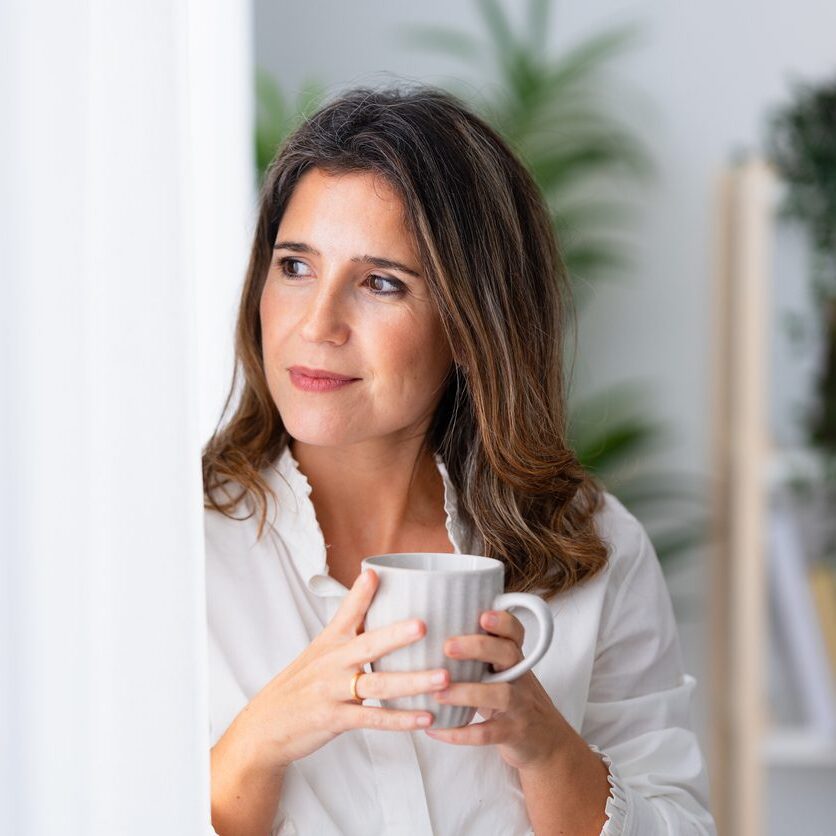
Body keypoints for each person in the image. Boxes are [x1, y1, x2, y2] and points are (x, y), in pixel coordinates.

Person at [202, 83, 717, 836]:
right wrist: (257, 745)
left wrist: (545, 747)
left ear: (474, 323)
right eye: (295, 266)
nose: (316, 324)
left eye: (382, 283)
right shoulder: (178, 548)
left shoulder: (591, 547)